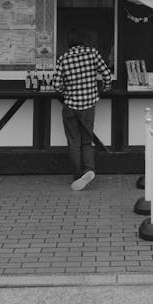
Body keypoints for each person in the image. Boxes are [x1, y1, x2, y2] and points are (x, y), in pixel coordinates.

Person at [52, 28, 112, 190]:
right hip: (88, 105)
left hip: (70, 106)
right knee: (86, 140)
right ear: (83, 40)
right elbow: (107, 74)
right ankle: (89, 169)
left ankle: (78, 174)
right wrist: (105, 88)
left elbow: (56, 85)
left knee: (73, 140)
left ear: (68, 42)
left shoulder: (63, 58)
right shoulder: (92, 54)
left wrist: (67, 91)